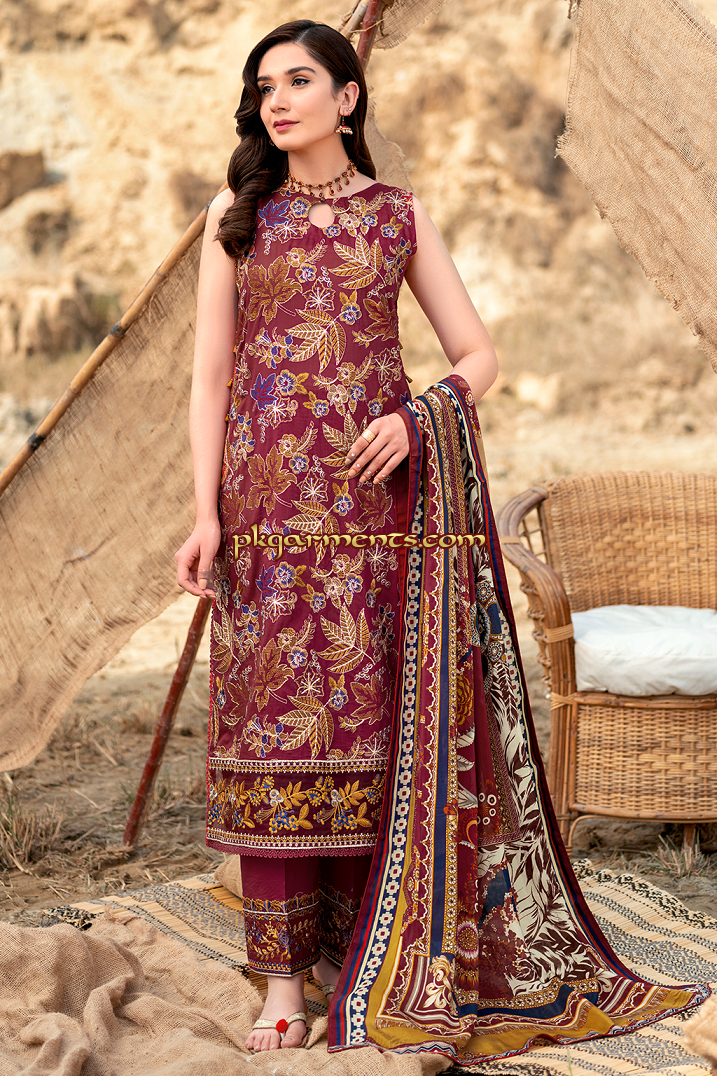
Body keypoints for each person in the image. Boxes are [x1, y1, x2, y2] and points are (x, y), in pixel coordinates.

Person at [174, 16, 498, 1054]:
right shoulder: (239, 214)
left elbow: (477, 354)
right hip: (266, 512)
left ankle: (363, 956)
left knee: (366, 721)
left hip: (373, 513)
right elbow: (211, 377)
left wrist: (417, 416)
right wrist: (205, 513)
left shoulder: (398, 215)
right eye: (264, 85)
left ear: (347, 97)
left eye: (300, 80)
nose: (278, 99)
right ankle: (281, 980)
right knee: (272, 725)